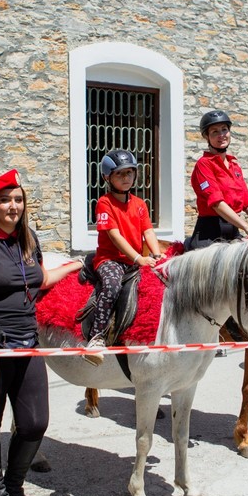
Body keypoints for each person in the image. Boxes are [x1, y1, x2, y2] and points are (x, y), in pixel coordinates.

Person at [0, 169, 80, 496]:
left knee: (35, 422)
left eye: (18, 199)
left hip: (27, 342)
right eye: (5, 200)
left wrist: (78, 264)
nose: (13, 206)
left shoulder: (27, 239)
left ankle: (15, 487)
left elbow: (41, 279)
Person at [85, 149, 162, 365]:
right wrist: (139, 259)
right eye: (120, 174)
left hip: (135, 260)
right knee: (111, 285)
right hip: (110, 260)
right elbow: (114, 235)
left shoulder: (140, 204)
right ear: (107, 177)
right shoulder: (104, 203)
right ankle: (96, 337)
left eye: (129, 172)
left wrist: (157, 255)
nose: (126, 178)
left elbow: (148, 232)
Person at [188, 110, 248, 250]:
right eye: (214, 132)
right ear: (207, 137)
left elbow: (246, 200)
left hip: (233, 231)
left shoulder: (234, 166)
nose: (221, 135)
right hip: (209, 232)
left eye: (224, 130)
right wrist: (247, 227)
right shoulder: (204, 164)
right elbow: (217, 203)